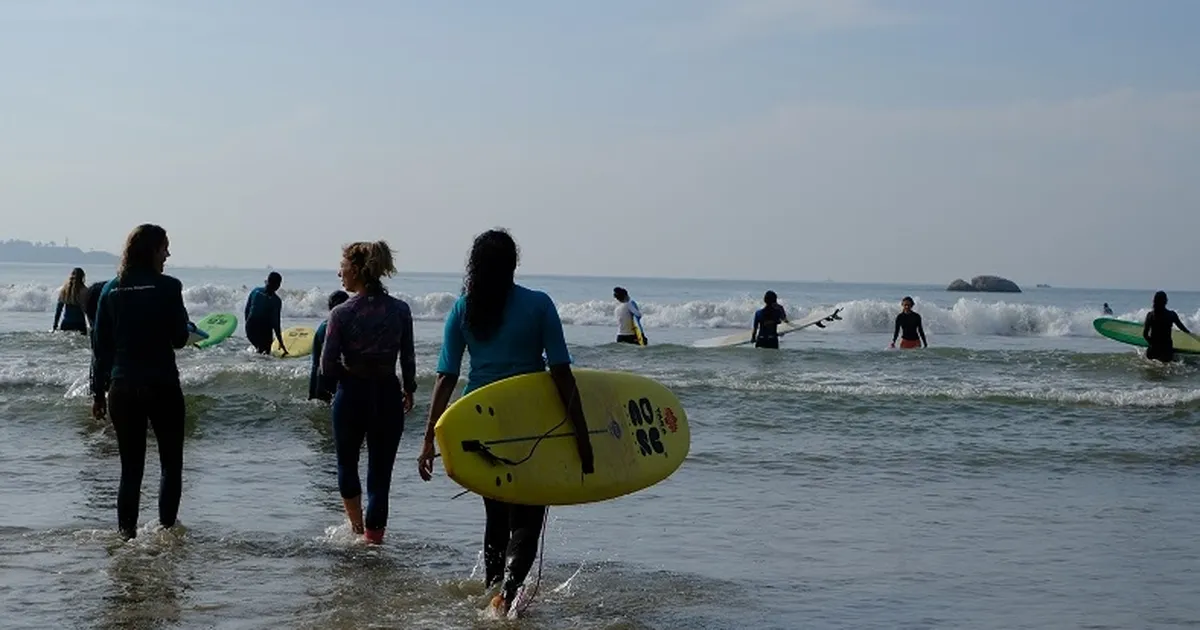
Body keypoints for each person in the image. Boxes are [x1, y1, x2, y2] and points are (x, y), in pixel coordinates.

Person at [417, 228, 594, 616]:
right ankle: (508, 594)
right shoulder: (539, 305)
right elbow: (562, 373)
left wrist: (429, 438)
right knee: (528, 516)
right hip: (532, 423)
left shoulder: (464, 309)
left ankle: (493, 592)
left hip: (480, 424)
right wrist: (582, 434)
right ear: (514, 264)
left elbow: (446, 375)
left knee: (495, 516)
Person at [90, 224, 192, 541]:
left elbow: (100, 348)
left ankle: (126, 539)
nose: (168, 254)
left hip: (121, 387)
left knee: (130, 469)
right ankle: (165, 535)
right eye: (165, 248)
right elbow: (178, 339)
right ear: (151, 250)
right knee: (170, 464)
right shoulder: (168, 287)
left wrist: (97, 393)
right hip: (161, 384)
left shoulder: (110, 290)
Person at [320, 242, 416, 545]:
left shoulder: (341, 313)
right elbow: (409, 359)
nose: (339, 273)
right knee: (380, 476)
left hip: (352, 394)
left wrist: (344, 379)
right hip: (388, 393)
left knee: (347, 464)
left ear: (358, 270)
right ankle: (374, 541)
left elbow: (327, 365)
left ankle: (357, 529)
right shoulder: (400, 310)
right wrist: (409, 389)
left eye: (343, 267)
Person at [309, 290, 350, 402]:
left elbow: (315, 365)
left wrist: (312, 393)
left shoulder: (322, 327)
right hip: (332, 381)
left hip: (322, 379)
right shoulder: (334, 328)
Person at [1142, 291, 1191, 363]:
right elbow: (1183, 329)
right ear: (1166, 301)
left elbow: (1145, 334)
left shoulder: (1150, 315)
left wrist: (1153, 344)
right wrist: (1192, 335)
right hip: (1166, 350)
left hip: (1153, 350)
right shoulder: (1171, 315)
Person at [244, 272, 286, 355]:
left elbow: (247, 311)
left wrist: (247, 327)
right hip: (263, 330)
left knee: (259, 350)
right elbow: (276, 323)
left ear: (267, 281)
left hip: (250, 328)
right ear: (278, 285)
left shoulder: (255, 291)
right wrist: (281, 342)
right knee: (265, 353)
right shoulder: (276, 301)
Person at [52, 267, 89, 335]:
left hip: (66, 324)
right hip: (80, 324)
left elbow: (58, 310)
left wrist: (55, 326)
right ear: (83, 277)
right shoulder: (85, 291)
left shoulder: (64, 290)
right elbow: (88, 311)